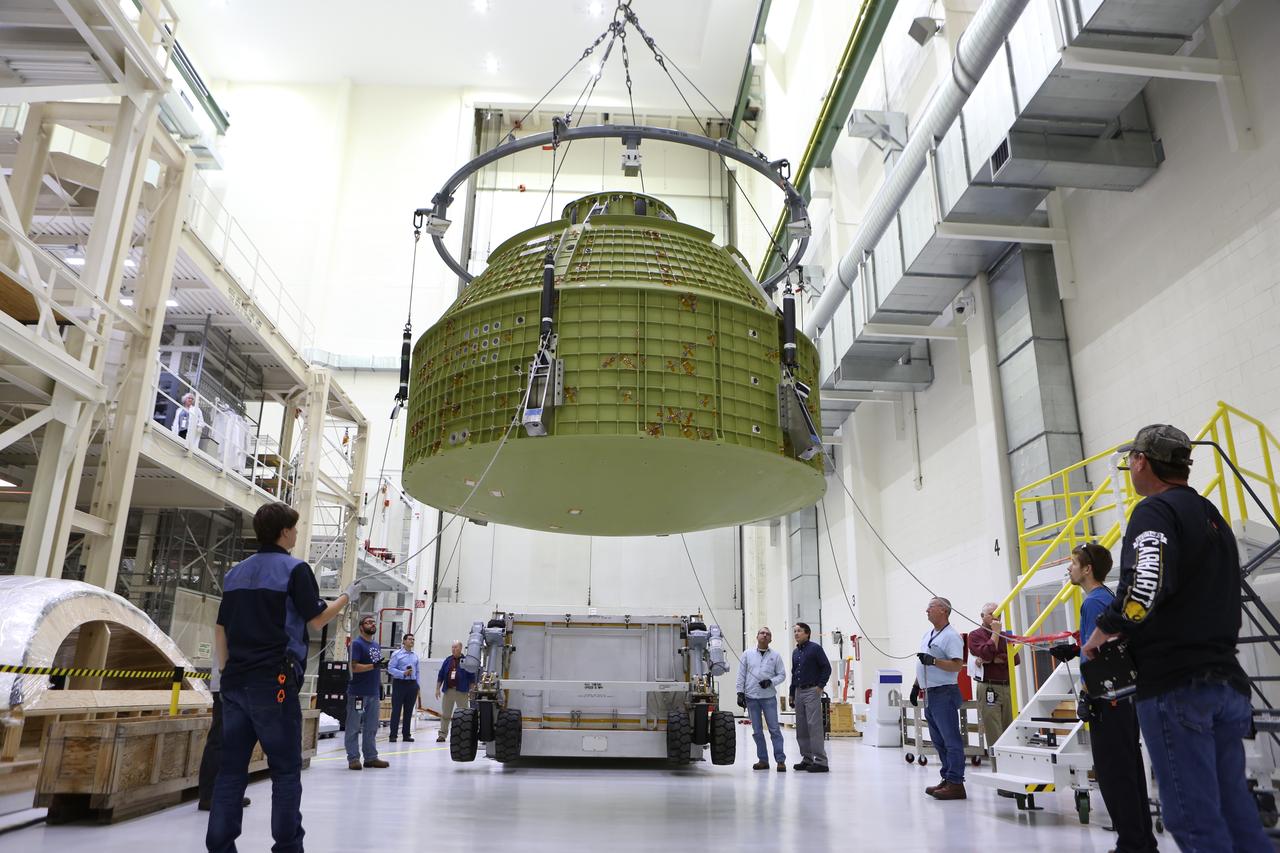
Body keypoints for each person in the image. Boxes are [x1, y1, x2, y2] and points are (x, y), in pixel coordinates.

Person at [1083, 424, 1269, 851]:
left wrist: (1103, 632)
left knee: (1195, 822)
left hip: (1177, 686)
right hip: (1227, 685)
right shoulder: (1212, 517)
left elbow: (1144, 587)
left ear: (1142, 461)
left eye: (1131, 459)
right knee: (1238, 821)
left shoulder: (1154, 511)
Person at [207, 501, 361, 853]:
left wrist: (227, 671)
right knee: (285, 770)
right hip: (273, 681)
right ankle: (287, 846)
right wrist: (346, 597)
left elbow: (221, 628)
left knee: (231, 770)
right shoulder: (295, 570)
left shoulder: (236, 573)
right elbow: (317, 620)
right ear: (283, 532)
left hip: (234, 683)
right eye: (293, 528)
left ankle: (219, 844)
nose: (295, 532)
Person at [1051, 543, 1158, 853]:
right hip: (1120, 697)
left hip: (1108, 697)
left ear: (1087, 569)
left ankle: (1132, 844)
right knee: (1128, 768)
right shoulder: (1105, 599)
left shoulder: (1093, 603)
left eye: (1073, 563)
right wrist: (1075, 649)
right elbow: (1105, 643)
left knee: (1115, 773)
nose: (1068, 568)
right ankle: (1141, 842)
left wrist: (1087, 693)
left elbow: (1102, 654)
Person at [912, 597, 967, 801]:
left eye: (931, 607)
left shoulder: (951, 636)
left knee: (951, 740)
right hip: (930, 693)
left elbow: (956, 665)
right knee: (939, 740)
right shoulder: (928, 634)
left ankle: (956, 782)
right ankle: (947, 778)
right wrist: (915, 685)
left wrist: (934, 661)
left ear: (943, 610)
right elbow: (922, 663)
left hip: (944, 692)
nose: (926, 610)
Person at [197, 641, 250, 812]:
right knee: (219, 739)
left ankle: (228, 793)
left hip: (240, 684)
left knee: (236, 742)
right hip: (227, 685)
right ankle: (208, 796)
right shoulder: (233, 615)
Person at [967, 602, 1016, 764]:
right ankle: (998, 766)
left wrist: (993, 659)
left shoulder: (1006, 636)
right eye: (991, 614)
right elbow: (986, 653)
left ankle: (1011, 765)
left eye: (999, 614)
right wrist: (995, 634)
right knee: (994, 729)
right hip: (988, 686)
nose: (996, 617)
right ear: (982, 617)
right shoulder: (975, 635)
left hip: (1007, 686)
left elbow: (1015, 658)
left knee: (1009, 726)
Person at [736, 627, 787, 772]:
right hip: (751, 698)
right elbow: (741, 674)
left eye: (768, 634)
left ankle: (780, 761)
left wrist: (770, 682)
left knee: (775, 730)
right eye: (762, 633)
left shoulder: (775, 656)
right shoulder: (747, 654)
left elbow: (782, 675)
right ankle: (763, 760)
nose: (765, 635)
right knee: (757, 731)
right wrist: (739, 692)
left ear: (770, 639)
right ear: (757, 637)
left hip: (769, 698)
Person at [346, 614, 389, 770]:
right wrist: (373, 666)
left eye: (373, 622)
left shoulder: (376, 646)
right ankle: (353, 758)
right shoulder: (356, 645)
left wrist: (380, 685)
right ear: (361, 626)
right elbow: (353, 667)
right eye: (368, 622)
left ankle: (371, 757)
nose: (372, 624)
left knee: (371, 727)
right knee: (354, 727)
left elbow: (376, 667)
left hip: (373, 693)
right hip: (358, 693)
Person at [789, 622, 831, 773]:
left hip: (812, 690)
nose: (796, 634)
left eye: (799, 631)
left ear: (807, 633)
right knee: (802, 727)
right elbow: (795, 673)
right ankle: (807, 759)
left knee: (814, 726)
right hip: (799, 692)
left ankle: (821, 761)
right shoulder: (795, 652)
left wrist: (820, 686)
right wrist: (791, 693)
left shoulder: (815, 649)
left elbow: (826, 667)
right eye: (795, 631)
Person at [436, 641, 477, 743]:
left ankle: (464, 734)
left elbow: (472, 677)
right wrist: (437, 689)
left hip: (461, 691)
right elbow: (441, 675)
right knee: (445, 714)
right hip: (448, 690)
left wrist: (472, 690)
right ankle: (442, 735)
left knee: (464, 714)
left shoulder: (466, 661)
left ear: (461, 648)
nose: (453, 649)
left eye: (456, 647)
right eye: (452, 647)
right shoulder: (448, 660)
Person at [387, 633, 420, 743]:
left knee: (409, 711)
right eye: (410, 639)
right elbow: (390, 669)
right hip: (400, 684)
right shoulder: (397, 654)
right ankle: (393, 735)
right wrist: (403, 673)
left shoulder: (415, 655)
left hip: (412, 684)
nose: (412, 641)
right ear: (404, 641)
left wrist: (417, 685)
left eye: (413, 639)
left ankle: (406, 735)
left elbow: (418, 671)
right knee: (396, 710)